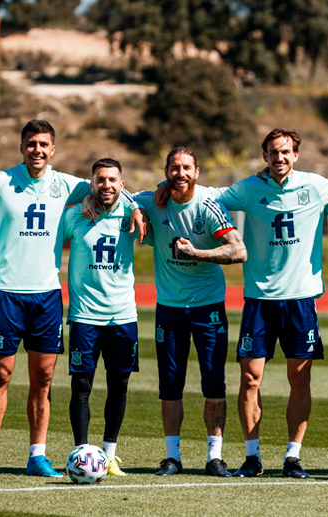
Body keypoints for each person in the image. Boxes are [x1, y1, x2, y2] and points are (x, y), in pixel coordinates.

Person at [0, 120, 145, 478]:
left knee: (43, 378)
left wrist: (135, 206)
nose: (37, 150)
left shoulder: (67, 185)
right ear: (22, 147)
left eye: (44, 144)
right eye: (31, 143)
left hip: (47, 294)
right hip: (6, 292)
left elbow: (111, 189)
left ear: (53, 149)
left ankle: (37, 455)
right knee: (0, 375)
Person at [212, 129, 328, 478]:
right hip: (259, 300)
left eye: (286, 152)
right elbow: (211, 199)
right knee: (249, 378)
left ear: (296, 155)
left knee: (299, 378)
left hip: (300, 300)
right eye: (273, 152)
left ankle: (292, 457)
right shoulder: (250, 188)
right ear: (265, 156)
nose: (280, 157)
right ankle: (252, 457)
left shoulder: (314, 185)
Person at [136, 147, 246, 477]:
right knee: (171, 383)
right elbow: (118, 195)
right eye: (174, 168)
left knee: (214, 382)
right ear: (166, 171)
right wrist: (136, 212)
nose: (180, 173)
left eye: (186, 168)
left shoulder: (208, 207)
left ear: (197, 172)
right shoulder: (152, 200)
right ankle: (172, 458)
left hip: (207, 306)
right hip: (169, 307)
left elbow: (238, 251)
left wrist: (196, 253)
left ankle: (215, 458)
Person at [59, 158, 140, 477]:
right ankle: (81, 452)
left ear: (122, 184)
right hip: (84, 317)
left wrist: (133, 203)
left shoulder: (133, 213)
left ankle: (108, 456)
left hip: (123, 317)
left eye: (113, 180)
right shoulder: (75, 215)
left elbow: (153, 195)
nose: (106, 185)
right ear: (91, 184)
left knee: (119, 386)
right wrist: (82, 201)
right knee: (81, 386)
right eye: (100, 180)